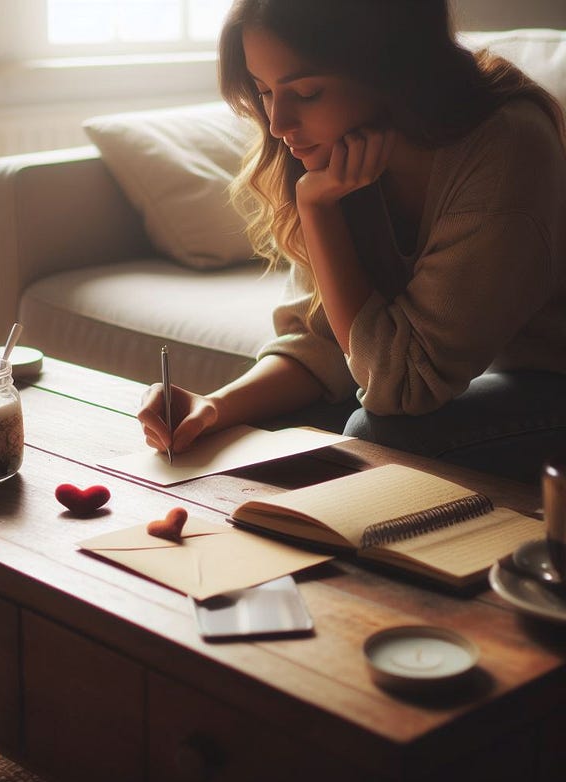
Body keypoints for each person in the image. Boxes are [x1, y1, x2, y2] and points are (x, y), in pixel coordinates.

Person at [137, 0, 566, 484]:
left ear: (388, 67)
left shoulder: (507, 146)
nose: (278, 125)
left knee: (376, 433)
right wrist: (215, 407)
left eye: (307, 91)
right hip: (462, 380)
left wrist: (318, 211)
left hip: (553, 382)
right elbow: (322, 342)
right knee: (261, 435)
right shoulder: (342, 154)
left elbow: (402, 388)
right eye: (264, 92)